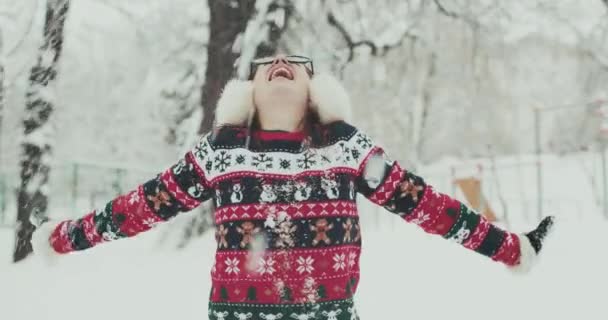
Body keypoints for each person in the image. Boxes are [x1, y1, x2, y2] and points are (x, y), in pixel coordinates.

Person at [32, 54, 555, 320]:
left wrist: (512, 247)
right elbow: (138, 208)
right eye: (267, 67)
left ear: (314, 93)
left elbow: (427, 205)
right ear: (249, 93)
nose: (281, 66)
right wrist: (61, 238)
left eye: (296, 67)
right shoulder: (219, 151)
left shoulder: (346, 148)